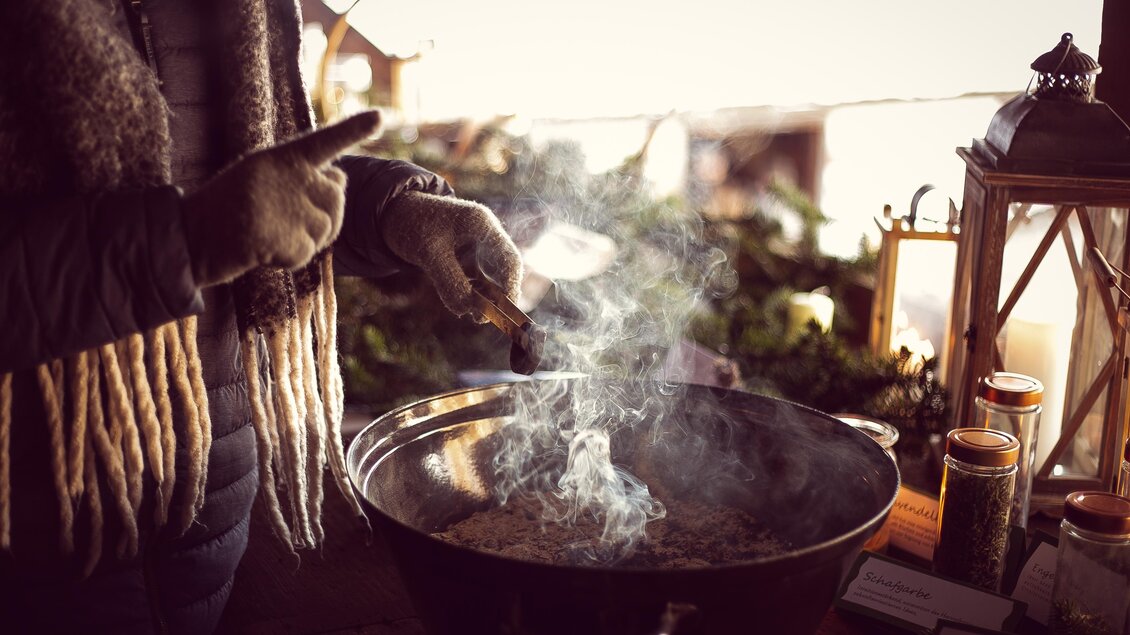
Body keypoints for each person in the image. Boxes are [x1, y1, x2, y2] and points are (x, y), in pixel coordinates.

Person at [0, 0, 523, 632]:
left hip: (211, 515)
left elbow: (264, 189)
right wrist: (184, 242)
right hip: (39, 536)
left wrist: (395, 214)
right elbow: (213, 219)